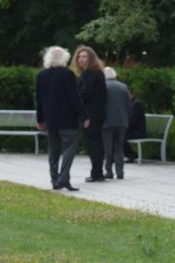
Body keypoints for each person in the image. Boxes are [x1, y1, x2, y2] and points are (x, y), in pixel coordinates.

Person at [34, 45, 88, 192]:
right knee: (70, 147)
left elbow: (39, 100)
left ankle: (55, 179)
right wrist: (84, 115)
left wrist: (40, 119)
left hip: (50, 119)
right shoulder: (68, 75)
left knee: (54, 149)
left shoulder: (41, 76)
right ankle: (63, 178)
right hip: (67, 119)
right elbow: (75, 98)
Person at [72, 45, 106, 183]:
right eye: (79, 56)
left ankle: (96, 173)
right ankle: (98, 172)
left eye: (84, 56)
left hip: (91, 114)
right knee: (96, 142)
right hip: (97, 114)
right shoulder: (96, 73)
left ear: (91, 58)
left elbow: (84, 94)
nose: (81, 59)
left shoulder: (90, 74)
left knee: (93, 144)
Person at [101, 66, 130, 180]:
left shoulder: (103, 87)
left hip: (107, 122)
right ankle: (120, 172)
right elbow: (128, 106)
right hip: (122, 122)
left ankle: (109, 171)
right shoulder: (123, 86)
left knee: (108, 148)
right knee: (119, 147)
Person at [123, 89, 145, 163]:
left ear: (132, 94)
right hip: (131, 130)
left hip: (138, 132)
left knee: (120, 138)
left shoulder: (136, 104)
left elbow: (132, 120)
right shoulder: (129, 104)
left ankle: (132, 155)